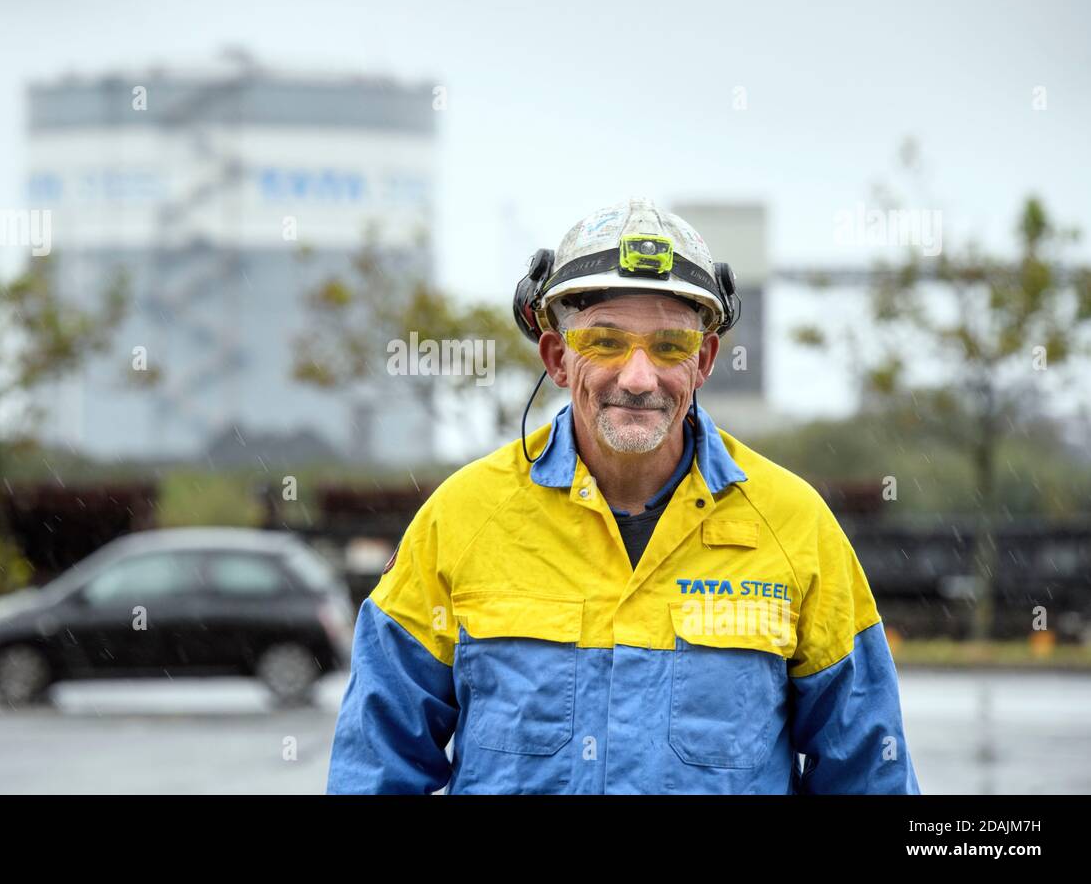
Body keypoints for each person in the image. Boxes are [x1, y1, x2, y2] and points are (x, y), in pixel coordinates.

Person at [326, 197, 921, 794]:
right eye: (606, 342)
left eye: (669, 347)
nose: (638, 378)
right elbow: (376, 767)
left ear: (704, 361)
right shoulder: (462, 520)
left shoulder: (794, 527)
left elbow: (869, 774)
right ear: (558, 358)